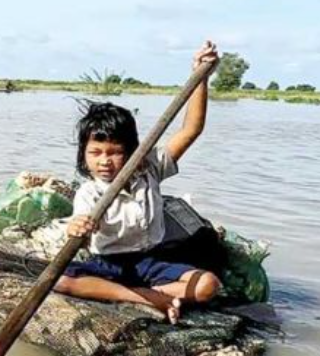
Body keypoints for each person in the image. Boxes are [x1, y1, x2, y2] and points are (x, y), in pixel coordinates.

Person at [54, 41, 220, 323]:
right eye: (95, 153)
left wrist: (201, 77)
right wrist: (76, 227)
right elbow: (78, 225)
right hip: (108, 264)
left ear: (132, 152)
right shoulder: (89, 192)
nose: (104, 161)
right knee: (61, 282)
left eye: (115, 153)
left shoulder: (150, 168)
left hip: (149, 261)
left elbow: (192, 130)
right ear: (84, 155)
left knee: (208, 286)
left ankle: (138, 291)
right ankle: (147, 297)